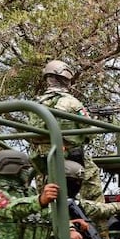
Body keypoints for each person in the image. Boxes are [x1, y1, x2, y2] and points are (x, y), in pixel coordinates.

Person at [29, 59, 104, 203]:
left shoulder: (36, 104)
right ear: (65, 79)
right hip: (69, 155)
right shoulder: (71, 102)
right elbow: (90, 132)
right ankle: (98, 215)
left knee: (46, 192)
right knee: (92, 180)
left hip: (43, 158)